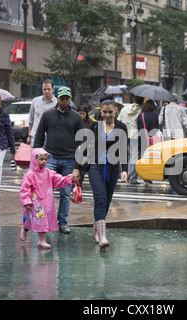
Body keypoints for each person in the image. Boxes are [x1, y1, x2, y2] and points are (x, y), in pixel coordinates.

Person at [76, 99, 128, 251]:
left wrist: (124, 169)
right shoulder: (94, 125)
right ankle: (103, 237)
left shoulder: (121, 127)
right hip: (95, 167)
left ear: (116, 111)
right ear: (100, 111)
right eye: (104, 112)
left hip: (112, 169)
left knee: (106, 202)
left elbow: (123, 149)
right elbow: (83, 148)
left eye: (110, 112)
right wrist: (76, 168)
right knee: (100, 198)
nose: (106, 115)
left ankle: (97, 227)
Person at [34, 86, 83, 234]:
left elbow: (82, 143)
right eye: (62, 98)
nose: (64, 101)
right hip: (51, 158)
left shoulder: (77, 117)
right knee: (45, 192)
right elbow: (39, 136)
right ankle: (45, 221)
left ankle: (62, 223)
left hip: (69, 159)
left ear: (70, 99)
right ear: (57, 98)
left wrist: (77, 166)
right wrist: (37, 156)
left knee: (65, 193)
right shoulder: (47, 115)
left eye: (67, 98)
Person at [19, 148, 79, 249]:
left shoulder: (49, 173)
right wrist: (26, 201)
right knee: (28, 221)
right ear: (34, 160)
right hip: (32, 204)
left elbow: (59, 180)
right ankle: (24, 229)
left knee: (43, 220)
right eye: (41, 159)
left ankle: (41, 240)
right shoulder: (29, 175)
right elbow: (24, 190)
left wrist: (70, 179)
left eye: (45, 159)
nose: (44, 161)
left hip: (45, 203)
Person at [117, 96, 143, 184]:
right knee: (134, 156)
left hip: (124, 135)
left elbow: (118, 120)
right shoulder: (141, 111)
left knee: (126, 156)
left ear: (134, 100)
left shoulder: (124, 109)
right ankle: (132, 177)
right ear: (142, 102)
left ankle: (126, 174)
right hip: (134, 136)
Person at [27, 79, 57, 147]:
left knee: (49, 157)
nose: (46, 91)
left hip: (51, 137)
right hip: (35, 136)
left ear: (53, 89)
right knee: (35, 156)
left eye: (49, 89)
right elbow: (31, 120)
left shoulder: (57, 103)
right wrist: (29, 135)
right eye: (44, 89)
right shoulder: (35, 101)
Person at [136, 99, 159, 185]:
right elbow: (157, 128)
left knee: (143, 159)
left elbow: (138, 128)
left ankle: (145, 178)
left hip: (142, 139)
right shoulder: (155, 116)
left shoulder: (140, 116)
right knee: (151, 159)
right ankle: (149, 176)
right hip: (153, 140)